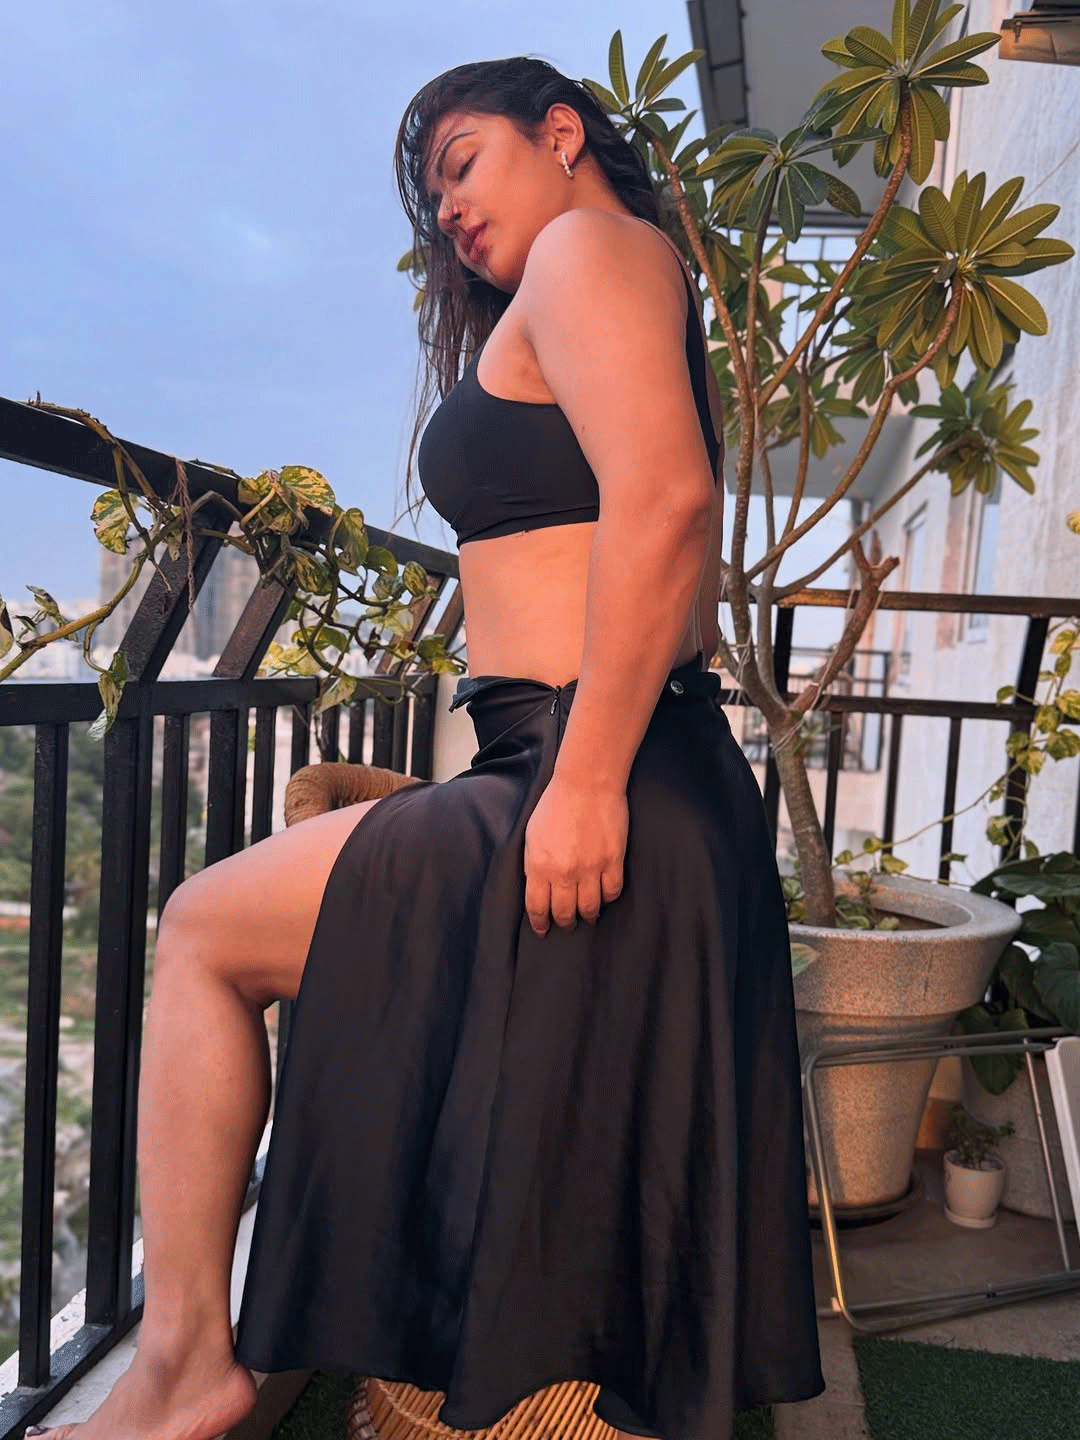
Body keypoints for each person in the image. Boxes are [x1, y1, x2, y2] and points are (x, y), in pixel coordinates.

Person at [28, 57, 824, 1440]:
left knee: (203, 933)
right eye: (431, 197)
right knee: (235, 940)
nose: (446, 212)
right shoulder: (600, 277)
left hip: (595, 762)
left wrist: (585, 778)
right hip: (580, 760)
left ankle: (184, 1363)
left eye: (461, 164)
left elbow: (668, 499)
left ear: (560, 134)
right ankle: (189, 1362)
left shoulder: (589, 248)